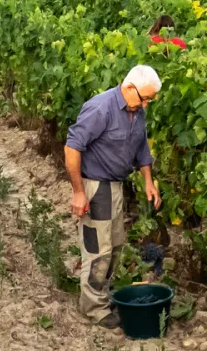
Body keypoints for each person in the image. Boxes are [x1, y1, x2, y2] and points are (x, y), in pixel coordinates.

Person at [65, 65, 163, 328]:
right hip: (96, 187)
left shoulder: (137, 111)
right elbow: (72, 146)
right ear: (129, 88)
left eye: (149, 100)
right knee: (98, 249)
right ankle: (93, 308)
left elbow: (141, 145)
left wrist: (148, 181)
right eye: (144, 98)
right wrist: (78, 192)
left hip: (115, 187)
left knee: (116, 245)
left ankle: (100, 295)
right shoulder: (101, 108)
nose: (146, 104)